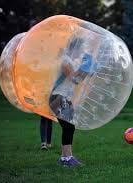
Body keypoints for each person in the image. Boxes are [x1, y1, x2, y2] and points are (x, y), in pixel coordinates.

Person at [49, 36, 94, 167]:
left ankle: (66, 157)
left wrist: (87, 69)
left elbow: (78, 80)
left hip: (64, 97)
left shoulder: (71, 61)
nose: (82, 51)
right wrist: (85, 68)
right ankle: (67, 158)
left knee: (69, 127)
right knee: (68, 126)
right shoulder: (65, 61)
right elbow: (74, 78)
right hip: (57, 96)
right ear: (75, 47)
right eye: (81, 48)